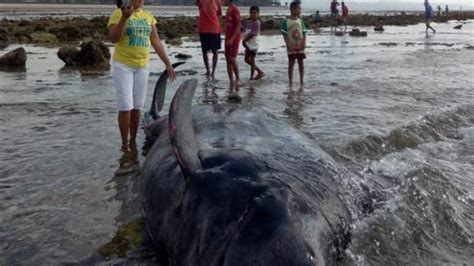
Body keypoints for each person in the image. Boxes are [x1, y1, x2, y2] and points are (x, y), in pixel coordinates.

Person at [108, 0, 176, 150]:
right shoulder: (118, 13)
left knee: (137, 106)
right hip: (123, 65)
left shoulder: (148, 16)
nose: (140, 0)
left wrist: (167, 63)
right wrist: (124, 18)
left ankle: (133, 141)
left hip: (142, 66)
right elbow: (114, 38)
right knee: (125, 105)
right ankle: (124, 144)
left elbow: (155, 40)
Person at [281, 1, 307, 89]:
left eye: (300, 9)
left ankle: (301, 80)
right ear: (292, 9)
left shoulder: (300, 20)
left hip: (300, 45)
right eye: (298, 8)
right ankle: (290, 81)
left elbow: (304, 32)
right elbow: (284, 35)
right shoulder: (286, 21)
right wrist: (288, 44)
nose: (300, 10)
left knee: (301, 63)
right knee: (291, 63)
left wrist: (304, 43)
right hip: (291, 46)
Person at [196, 0, 222, 81]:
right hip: (203, 29)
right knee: (204, 51)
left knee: (215, 51)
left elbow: (219, 14)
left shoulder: (217, 1)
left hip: (214, 29)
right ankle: (208, 70)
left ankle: (213, 71)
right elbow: (196, 3)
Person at [243, 5, 265, 81]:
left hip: (254, 43)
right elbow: (246, 30)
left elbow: (252, 34)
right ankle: (259, 71)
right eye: (251, 13)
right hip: (248, 43)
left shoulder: (257, 23)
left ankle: (252, 77)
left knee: (252, 60)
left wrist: (244, 40)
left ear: (258, 14)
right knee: (246, 59)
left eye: (255, 13)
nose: (253, 14)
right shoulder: (248, 21)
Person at [224, 0, 241, 88]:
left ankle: (238, 78)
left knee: (232, 58)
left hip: (234, 38)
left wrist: (232, 39)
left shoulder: (235, 10)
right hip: (227, 37)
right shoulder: (227, 10)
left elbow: (239, 26)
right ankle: (231, 80)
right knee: (227, 59)